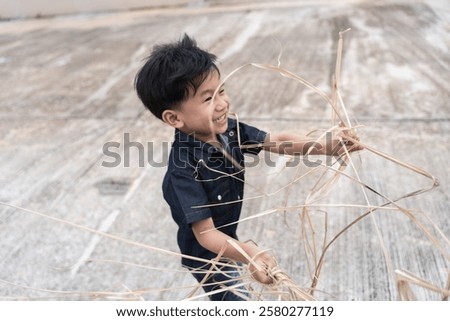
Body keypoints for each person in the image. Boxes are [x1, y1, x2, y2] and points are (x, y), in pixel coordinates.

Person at [134, 34, 361, 300]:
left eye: (221, 90)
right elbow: (206, 234)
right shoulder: (183, 171)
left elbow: (277, 141)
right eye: (208, 99)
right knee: (236, 301)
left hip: (229, 237)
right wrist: (250, 254)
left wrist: (325, 146)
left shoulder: (230, 131)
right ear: (174, 118)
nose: (222, 103)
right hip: (208, 258)